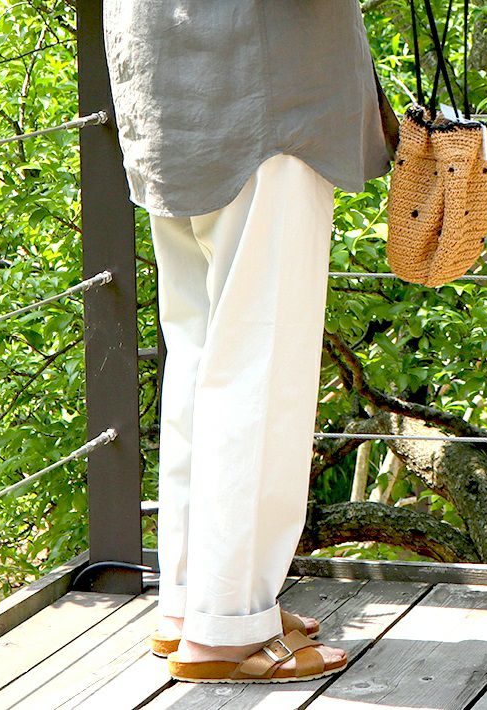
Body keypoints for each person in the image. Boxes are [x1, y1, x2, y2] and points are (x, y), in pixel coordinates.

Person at [103, 0, 393, 683]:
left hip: (168, 80)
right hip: (264, 97)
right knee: (260, 372)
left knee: (201, 359)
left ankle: (194, 604)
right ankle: (228, 628)